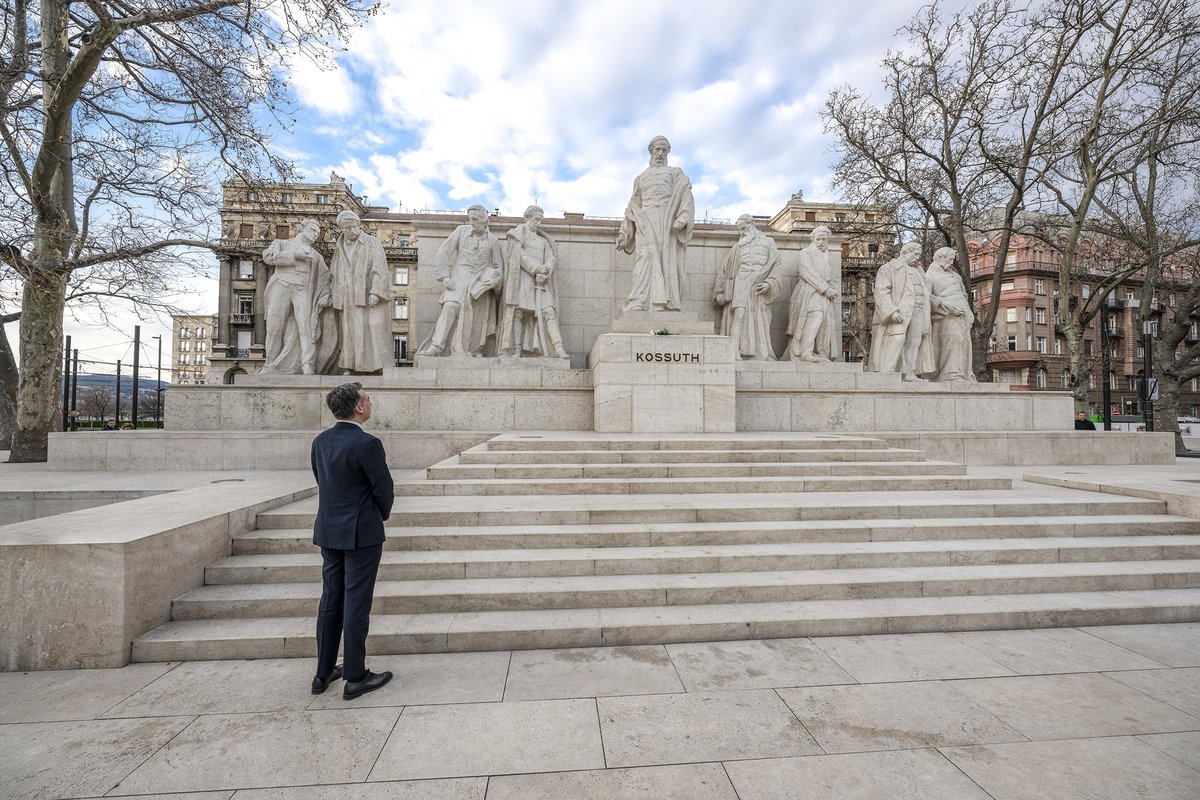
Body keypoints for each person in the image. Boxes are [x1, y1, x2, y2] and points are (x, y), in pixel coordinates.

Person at [310, 382, 394, 700]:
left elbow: (322, 480)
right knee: (356, 604)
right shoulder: (367, 444)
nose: (370, 403)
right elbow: (383, 490)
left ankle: (322, 673)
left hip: (329, 531)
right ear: (358, 408)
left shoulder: (320, 442)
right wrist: (379, 515)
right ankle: (356, 676)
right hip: (361, 534)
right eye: (368, 399)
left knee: (330, 600)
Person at [616, 135, 695, 312]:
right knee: (644, 258)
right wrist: (624, 233)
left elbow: (685, 195)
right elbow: (633, 207)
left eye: (664, 150)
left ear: (668, 152)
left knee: (668, 260)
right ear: (651, 150)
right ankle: (639, 301)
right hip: (646, 222)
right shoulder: (640, 178)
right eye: (657, 149)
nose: (660, 153)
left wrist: (683, 216)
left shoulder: (676, 173)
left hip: (668, 223)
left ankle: (667, 302)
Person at [419, 204, 504, 357]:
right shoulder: (461, 231)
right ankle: (436, 346)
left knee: (476, 318)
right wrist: (444, 276)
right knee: (450, 307)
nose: (472, 222)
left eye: (475, 219)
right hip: (458, 279)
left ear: (485, 220)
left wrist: (494, 282)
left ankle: (473, 349)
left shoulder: (493, 241)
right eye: (470, 219)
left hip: (479, 284)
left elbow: (499, 267)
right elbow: (444, 252)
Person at [261, 219, 332, 375]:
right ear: (302, 228)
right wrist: (294, 255)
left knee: (307, 327)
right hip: (280, 284)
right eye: (313, 230)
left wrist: (326, 294)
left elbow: (325, 277)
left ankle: (307, 365)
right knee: (274, 326)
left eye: (318, 233)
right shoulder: (281, 243)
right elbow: (268, 256)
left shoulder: (316, 256)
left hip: (303, 291)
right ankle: (269, 364)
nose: (316, 234)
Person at [500, 205, 569, 358]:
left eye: (540, 220)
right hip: (523, 279)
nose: (539, 223)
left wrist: (545, 270)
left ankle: (559, 348)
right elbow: (519, 255)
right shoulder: (516, 235)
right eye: (536, 219)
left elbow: (551, 258)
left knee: (549, 312)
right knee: (519, 313)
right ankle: (517, 349)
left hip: (542, 282)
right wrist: (536, 268)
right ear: (527, 218)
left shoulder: (543, 241)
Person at [713, 214, 781, 360]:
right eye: (740, 230)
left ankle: (759, 352)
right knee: (738, 314)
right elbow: (724, 270)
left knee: (759, 316)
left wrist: (769, 283)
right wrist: (719, 291)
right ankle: (734, 352)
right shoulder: (738, 247)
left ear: (752, 224)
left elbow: (776, 265)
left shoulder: (768, 242)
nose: (743, 232)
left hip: (759, 282)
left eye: (744, 228)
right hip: (741, 280)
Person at [867, 241, 933, 381]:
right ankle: (887, 370)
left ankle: (909, 372)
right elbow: (881, 291)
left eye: (919, 255)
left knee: (914, 341)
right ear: (905, 253)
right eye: (915, 254)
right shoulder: (889, 268)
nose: (917, 257)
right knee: (896, 338)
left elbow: (926, 292)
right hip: (900, 311)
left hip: (918, 311)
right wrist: (891, 311)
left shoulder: (917, 271)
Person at [785, 226, 839, 362]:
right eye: (818, 239)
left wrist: (834, 288)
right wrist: (826, 289)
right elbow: (807, 272)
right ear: (813, 239)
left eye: (824, 239)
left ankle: (821, 353)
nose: (821, 242)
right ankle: (805, 352)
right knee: (815, 316)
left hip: (824, 295)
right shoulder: (806, 253)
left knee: (823, 323)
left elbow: (832, 277)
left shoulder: (828, 256)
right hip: (809, 291)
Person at [925, 246, 976, 382]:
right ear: (940, 257)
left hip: (962, 315)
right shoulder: (929, 275)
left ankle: (963, 373)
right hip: (945, 315)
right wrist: (945, 305)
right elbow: (926, 297)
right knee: (953, 341)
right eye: (950, 259)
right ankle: (950, 374)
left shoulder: (954, 275)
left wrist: (969, 313)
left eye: (953, 259)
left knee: (963, 343)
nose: (952, 262)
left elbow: (963, 294)